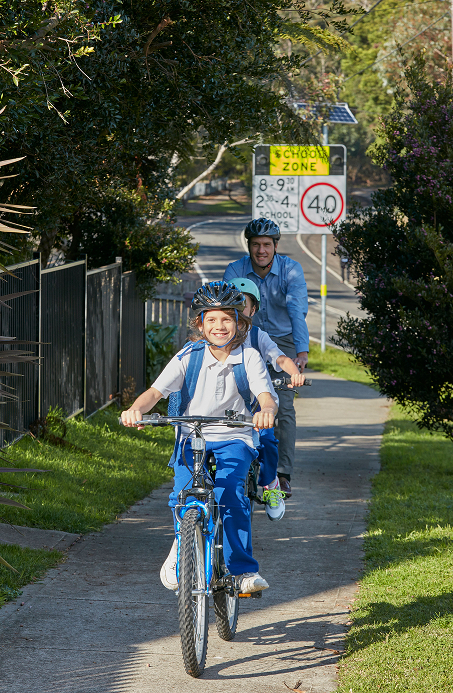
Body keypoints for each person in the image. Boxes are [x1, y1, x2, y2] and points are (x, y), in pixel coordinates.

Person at [121, 281, 278, 594]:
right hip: (192, 435)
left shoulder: (249, 358)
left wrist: (266, 411)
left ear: (240, 322)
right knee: (183, 495)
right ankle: (182, 549)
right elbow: (154, 392)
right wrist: (135, 409)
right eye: (211, 320)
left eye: (227, 319)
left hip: (235, 437)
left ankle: (242, 572)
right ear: (200, 323)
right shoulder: (188, 356)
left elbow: (265, 396)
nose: (219, 326)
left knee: (230, 493)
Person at [223, 218, 309, 498]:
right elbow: (226, 311)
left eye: (267, 245)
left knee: (282, 408)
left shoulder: (290, 270)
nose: (262, 250)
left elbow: (297, 311)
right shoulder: (235, 270)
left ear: (275, 247)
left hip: (281, 343)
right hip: (244, 337)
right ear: (249, 246)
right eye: (256, 245)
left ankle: (281, 474)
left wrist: (301, 353)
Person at [229, 277, 306, 521]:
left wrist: (293, 372)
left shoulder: (257, 336)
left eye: (243, 305)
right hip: (225, 407)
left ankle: (271, 484)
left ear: (253, 310)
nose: (238, 311)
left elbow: (279, 357)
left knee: (268, 440)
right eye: (231, 305)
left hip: (255, 407)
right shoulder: (218, 337)